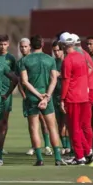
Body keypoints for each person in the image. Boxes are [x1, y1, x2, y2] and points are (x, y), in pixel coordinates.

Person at [20, 35, 67, 166]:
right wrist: (46, 96)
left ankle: (40, 159)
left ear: (30, 46)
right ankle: (57, 158)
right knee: (52, 127)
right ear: (42, 44)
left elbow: (24, 81)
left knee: (34, 128)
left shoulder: (24, 60)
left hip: (32, 97)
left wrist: (37, 95)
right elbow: (54, 79)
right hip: (47, 97)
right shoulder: (50, 59)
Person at [59, 33, 93, 165]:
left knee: (74, 128)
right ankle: (88, 153)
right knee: (81, 127)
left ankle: (80, 157)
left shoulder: (67, 60)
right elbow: (90, 72)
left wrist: (62, 99)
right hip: (84, 97)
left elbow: (65, 82)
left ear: (63, 45)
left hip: (73, 98)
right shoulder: (82, 57)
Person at [17, 38, 53, 157]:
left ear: (30, 46)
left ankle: (47, 146)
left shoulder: (36, 59)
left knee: (43, 121)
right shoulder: (21, 62)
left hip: (38, 94)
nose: (23, 49)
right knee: (32, 124)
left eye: (25, 46)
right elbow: (20, 80)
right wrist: (23, 94)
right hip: (31, 96)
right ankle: (34, 146)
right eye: (21, 47)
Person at [0, 34, 16, 155]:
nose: (2, 47)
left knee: (4, 121)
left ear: (8, 44)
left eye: (5, 44)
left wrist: (11, 91)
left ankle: (1, 146)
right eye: (0, 44)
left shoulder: (11, 58)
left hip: (6, 94)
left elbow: (16, 77)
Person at [52, 40, 71, 154]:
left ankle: (69, 145)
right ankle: (64, 146)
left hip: (67, 96)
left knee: (67, 122)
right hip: (56, 96)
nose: (57, 53)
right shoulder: (53, 62)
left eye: (58, 50)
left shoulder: (67, 61)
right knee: (59, 123)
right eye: (54, 51)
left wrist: (60, 75)